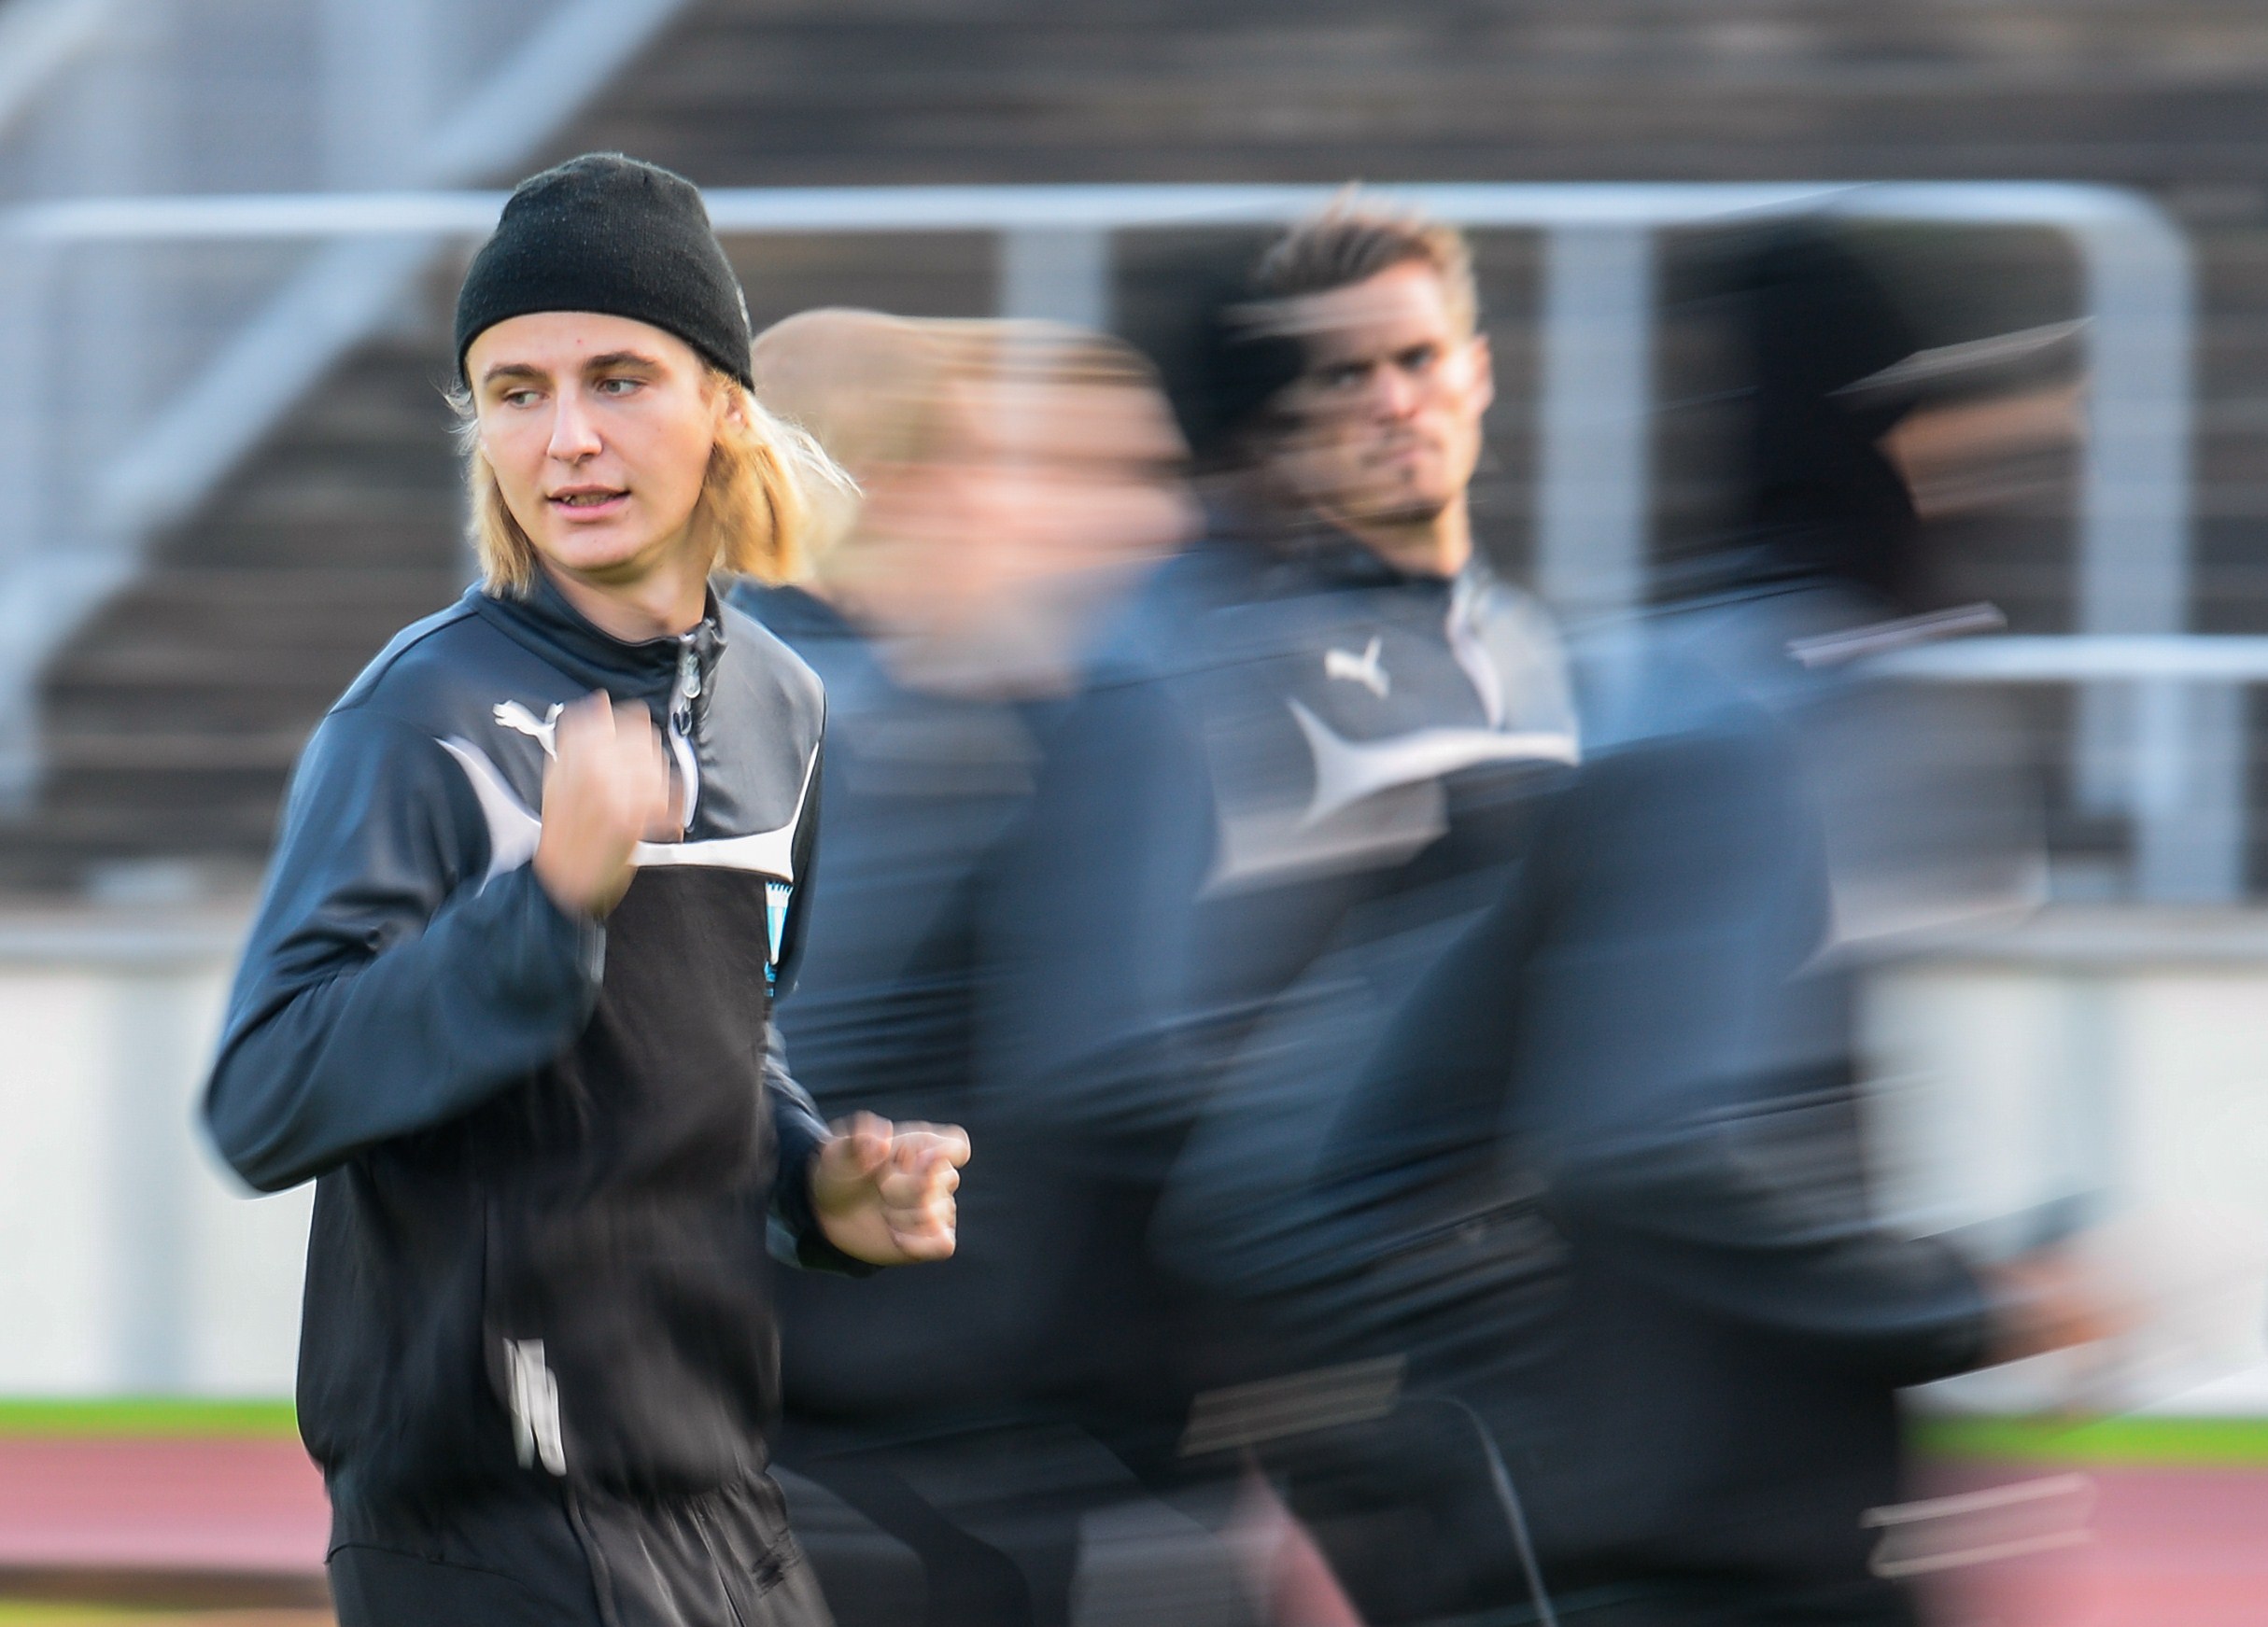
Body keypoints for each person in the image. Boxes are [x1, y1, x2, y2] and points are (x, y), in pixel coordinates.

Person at [200, 154, 968, 1627]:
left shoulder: (784, 710)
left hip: (716, 1486)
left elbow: (726, 1041)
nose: (566, 440)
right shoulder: (417, 716)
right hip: (486, 1519)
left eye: (618, 379)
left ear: (723, 405)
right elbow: (262, 1097)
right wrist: (545, 905)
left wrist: (819, 1190)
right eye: (515, 391)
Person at [1324, 220, 2111, 1626]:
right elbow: (1644, 1143)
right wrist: (1969, 1305)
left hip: (1730, 1510)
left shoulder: (1801, 689)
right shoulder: (1756, 716)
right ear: (1888, 429)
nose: (2025, 451)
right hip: (1649, 1533)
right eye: (1978, 410)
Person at [981, 202, 1577, 1621]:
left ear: (1476, 369)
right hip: (1338, 1336)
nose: (1390, 400)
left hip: (1528, 1314)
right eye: (1339, 375)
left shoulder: (1531, 648)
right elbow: (1134, 1056)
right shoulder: (1214, 670)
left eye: (1416, 358)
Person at [728, 310, 1195, 1627]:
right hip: (901, 1452)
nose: (1150, 525)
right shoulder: (901, 741)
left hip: (877, 1436)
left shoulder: (973, 725)